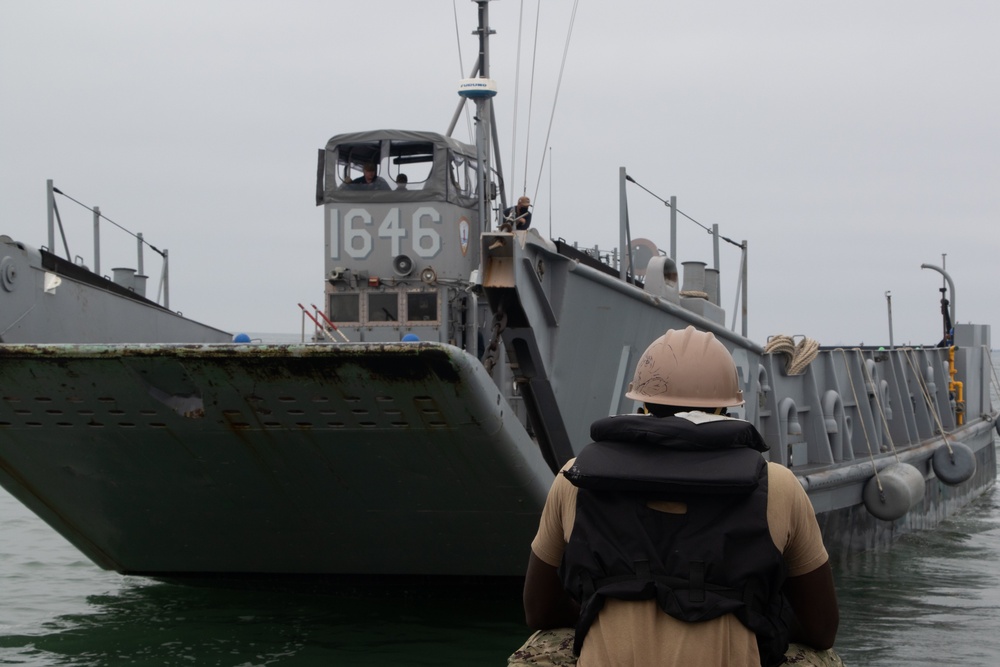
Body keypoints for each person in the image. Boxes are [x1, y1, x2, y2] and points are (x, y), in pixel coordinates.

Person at [521, 326, 838, 666]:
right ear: (725, 410)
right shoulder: (777, 486)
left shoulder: (574, 479)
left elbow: (540, 611)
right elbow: (820, 629)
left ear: (641, 403)